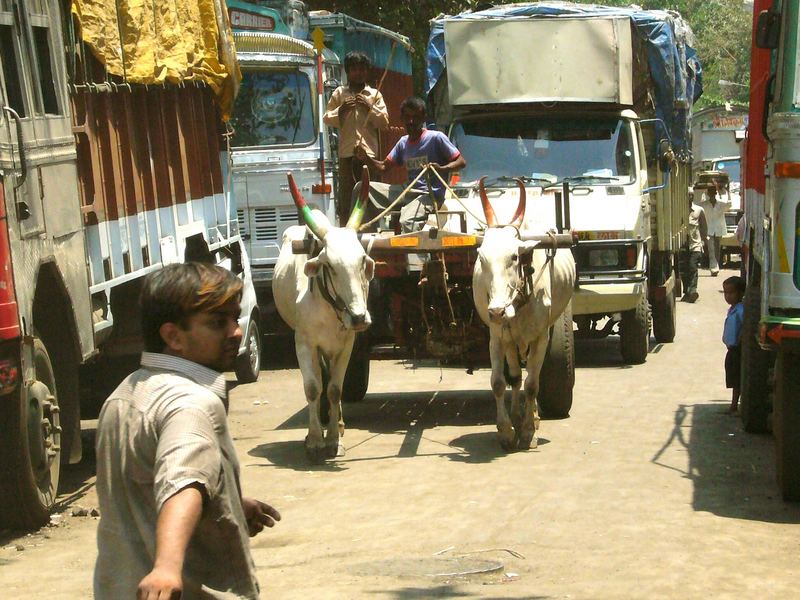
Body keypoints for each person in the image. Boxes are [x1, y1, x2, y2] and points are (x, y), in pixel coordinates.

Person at [94, 263, 281, 600]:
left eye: (234, 319)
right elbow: (184, 484)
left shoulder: (123, 395)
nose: (236, 332)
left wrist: (229, 505)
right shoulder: (192, 404)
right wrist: (166, 567)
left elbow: (148, 483)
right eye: (217, 323)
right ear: (173, 336)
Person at [355, 96, 466, 232]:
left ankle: (420, 254)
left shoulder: (436, 138)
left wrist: (442, 169)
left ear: (423, 119)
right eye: (407, 117)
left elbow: (461, 162)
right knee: (361, 188)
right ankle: (363, 236)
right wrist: (365, 157)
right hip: (407, 191)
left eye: (416, 117)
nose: (411, 121)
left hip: (429, 195)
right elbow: (383, 168)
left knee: (407, 221)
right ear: (402, 119)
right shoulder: (403, 142)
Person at [323, 51, 389, 226]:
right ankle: (346, 234)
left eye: (361, 69)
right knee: (347, 199)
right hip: (347, 156)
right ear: (348, 71)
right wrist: (342, 110)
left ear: (366, 72)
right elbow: (326, 118)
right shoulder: (339, 93)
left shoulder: (374, 95)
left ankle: (371, 231)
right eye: (354, 69)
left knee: (369, 197)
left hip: (368, 156)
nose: (358, 73)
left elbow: (384, 122)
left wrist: (369, 107)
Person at [722, 275, 746, 415]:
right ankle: (734, 404)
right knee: (733, 376)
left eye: (731, 293)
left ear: (741, 293)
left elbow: (744, 327)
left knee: (737, 378)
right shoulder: (732, 309)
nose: (728, 296)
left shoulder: (741, 310)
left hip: (738, 348)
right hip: (731, 348)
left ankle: (735, 405)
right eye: (725, 293)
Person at [697, 180, 730, 276]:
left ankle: (716, 265)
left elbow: (729, 204)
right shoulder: (704, 204)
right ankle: (714, 268)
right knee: (711, 249)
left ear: (715, 194)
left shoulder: (721, 204)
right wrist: (701, 189)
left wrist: (727, 191)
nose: (711, 196)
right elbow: (696, 205)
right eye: (710, 194)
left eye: (713, 194)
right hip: (709, 230)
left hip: (718, 230)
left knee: (717, 250)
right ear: (708, 194)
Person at [680, 193, 708, 303]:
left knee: (692, 266)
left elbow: (704, 227)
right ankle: (687, 291)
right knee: (683, 270)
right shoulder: (678, 210)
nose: (689, 197)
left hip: (695, 244)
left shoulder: (699, 210)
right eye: (687, 195)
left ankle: (692, 291)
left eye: (691, 195)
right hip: (682, 245)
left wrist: (704, 242)